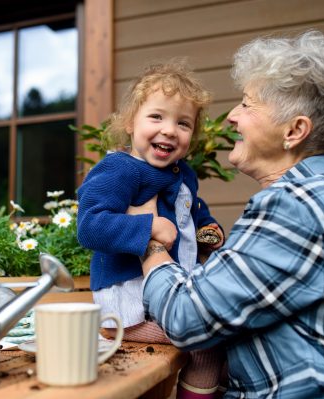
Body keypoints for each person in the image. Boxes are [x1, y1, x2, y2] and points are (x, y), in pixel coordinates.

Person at [133, 31, 324, 398]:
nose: (233, 117)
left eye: (248, 104)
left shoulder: (297, 205)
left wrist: (148, 237)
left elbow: (185, 317)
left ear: (294, 130)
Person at [77, 59, 229, 398]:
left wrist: (208, 230)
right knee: (205, 341)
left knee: (221, 341)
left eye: (183, 123)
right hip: (128, 306)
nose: (170, 130)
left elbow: (193, 211)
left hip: (167, 294)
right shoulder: (120, 170)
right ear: (130, 123)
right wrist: (147, 227)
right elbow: (90, 226)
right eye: (156, 117)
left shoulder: (182, 173)